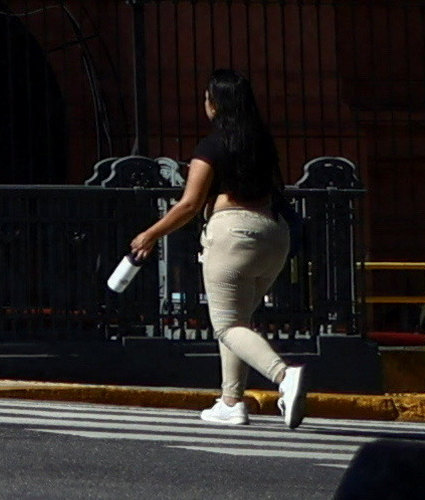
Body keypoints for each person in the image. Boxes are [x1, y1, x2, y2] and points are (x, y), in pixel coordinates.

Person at [119, 71, 307, 429]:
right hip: (274, 236)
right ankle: (231, 401)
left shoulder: (213, 146)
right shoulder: (262, 142)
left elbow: (189, 204)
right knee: (236, 321)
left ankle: (284, 377)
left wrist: (150, 234)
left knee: (226, 326)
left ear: (216, 103)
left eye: (207, 97)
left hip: (232, 235)